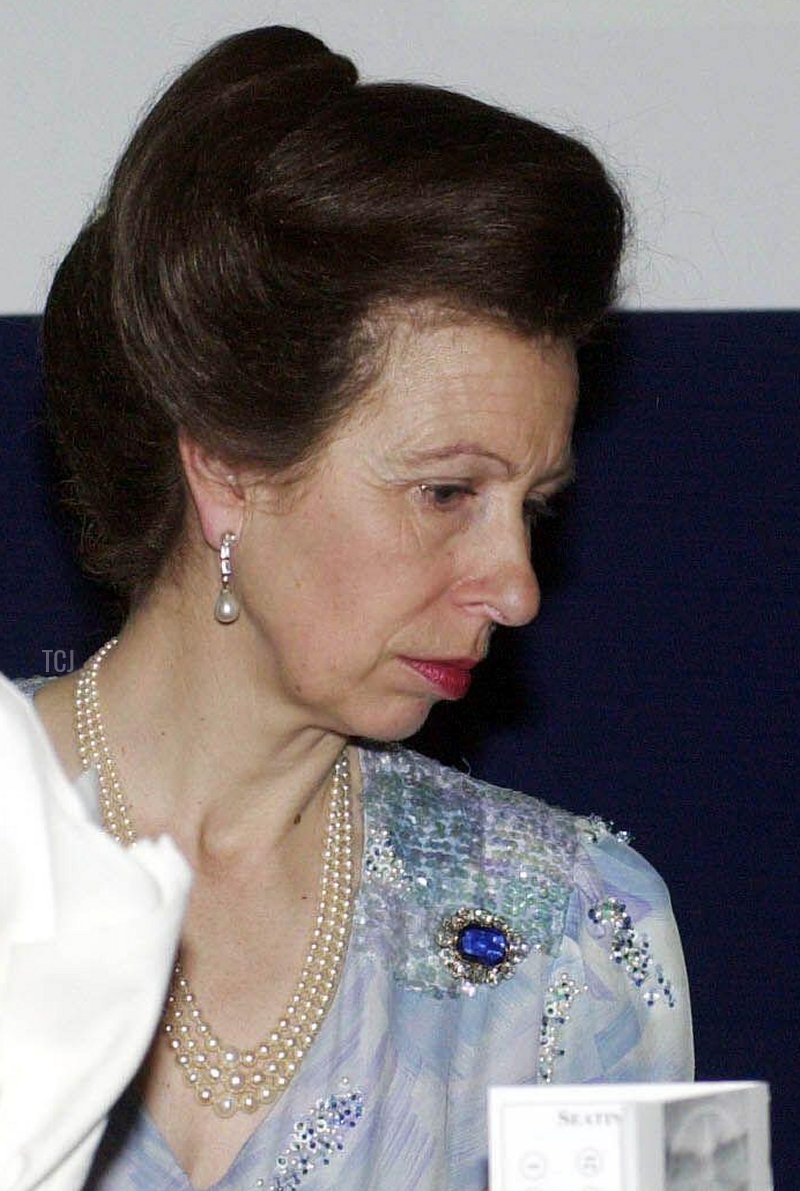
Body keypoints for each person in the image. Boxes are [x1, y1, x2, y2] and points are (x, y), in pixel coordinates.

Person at [21, 25, 693, 1191]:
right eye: (444, 492)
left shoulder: (573, 935)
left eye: (529, 506)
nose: (517, 587)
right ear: (228, 466)